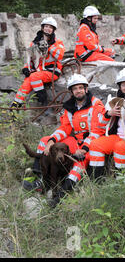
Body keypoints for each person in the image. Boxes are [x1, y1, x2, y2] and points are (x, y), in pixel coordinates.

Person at [23, 74, 106, 206]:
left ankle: (62, 193)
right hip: (75, 141)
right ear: (71, 92)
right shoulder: (69, 106)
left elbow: (97, 131)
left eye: (81, 88)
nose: (78, 90)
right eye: (75, 89)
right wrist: (52, 140)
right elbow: (65, 128)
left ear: (86, 89)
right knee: (45, 140)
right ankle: (41, 181)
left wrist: (84, 149)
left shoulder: (96, 104)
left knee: (80, 161)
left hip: (92, 143)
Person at [11, 17, 65, 108]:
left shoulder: (57, 43)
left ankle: (43, 102)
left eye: (50, 27)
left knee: (34, 76)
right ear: (42, 28)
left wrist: (47, 46)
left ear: (53, 30)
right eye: (46, 26)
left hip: (52, 71)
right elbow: (31, 59)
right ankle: (15, 104)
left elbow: (59, 56)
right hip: (39, 71)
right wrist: (26, 68)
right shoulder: (34, 43)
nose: (48, 29)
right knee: (27, 82)